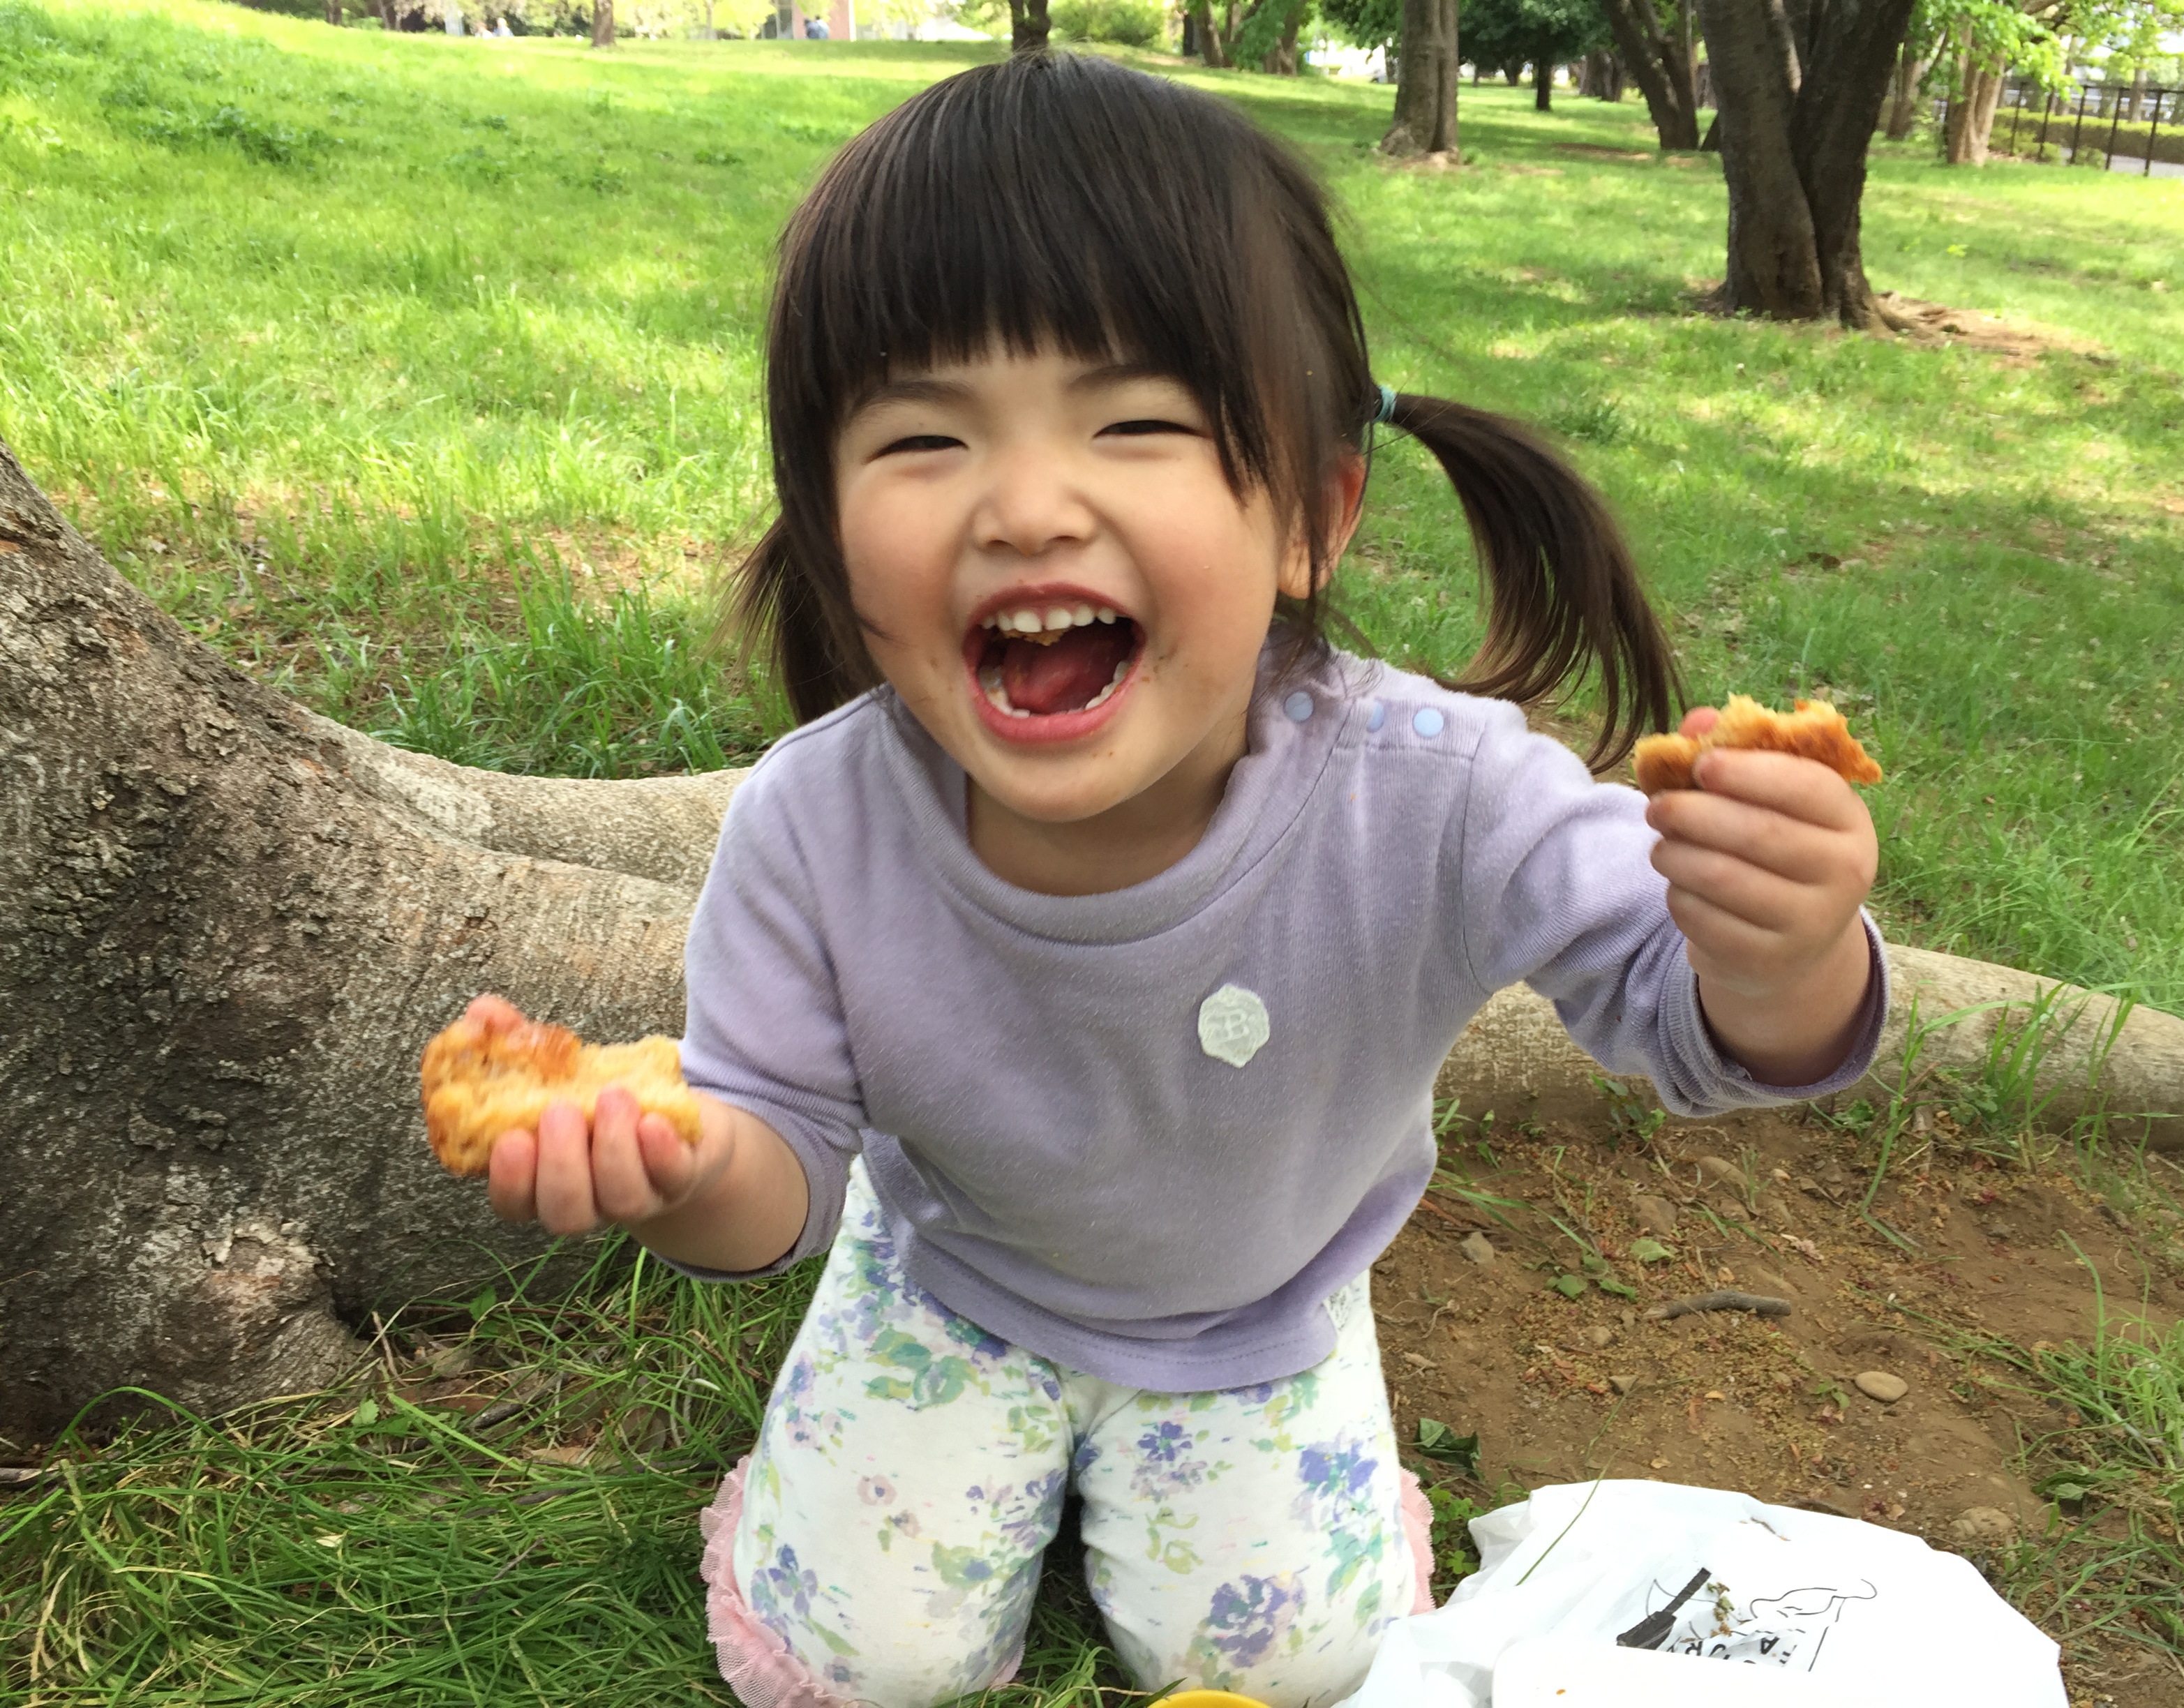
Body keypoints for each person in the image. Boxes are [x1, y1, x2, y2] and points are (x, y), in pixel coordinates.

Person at [469, 51, 1885, 1708]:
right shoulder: (815, 825)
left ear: (1312, 517)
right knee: (867, 1669)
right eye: (924, 436)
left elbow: (1684, 1011)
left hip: (1259, 1309)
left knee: (1301, 1672)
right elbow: (772, 1166)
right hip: (955, 1280)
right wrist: (681, 1165)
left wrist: (1781, 953)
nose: (1025, 507)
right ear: (832, 533)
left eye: (1135, 422)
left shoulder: (1438, 794)